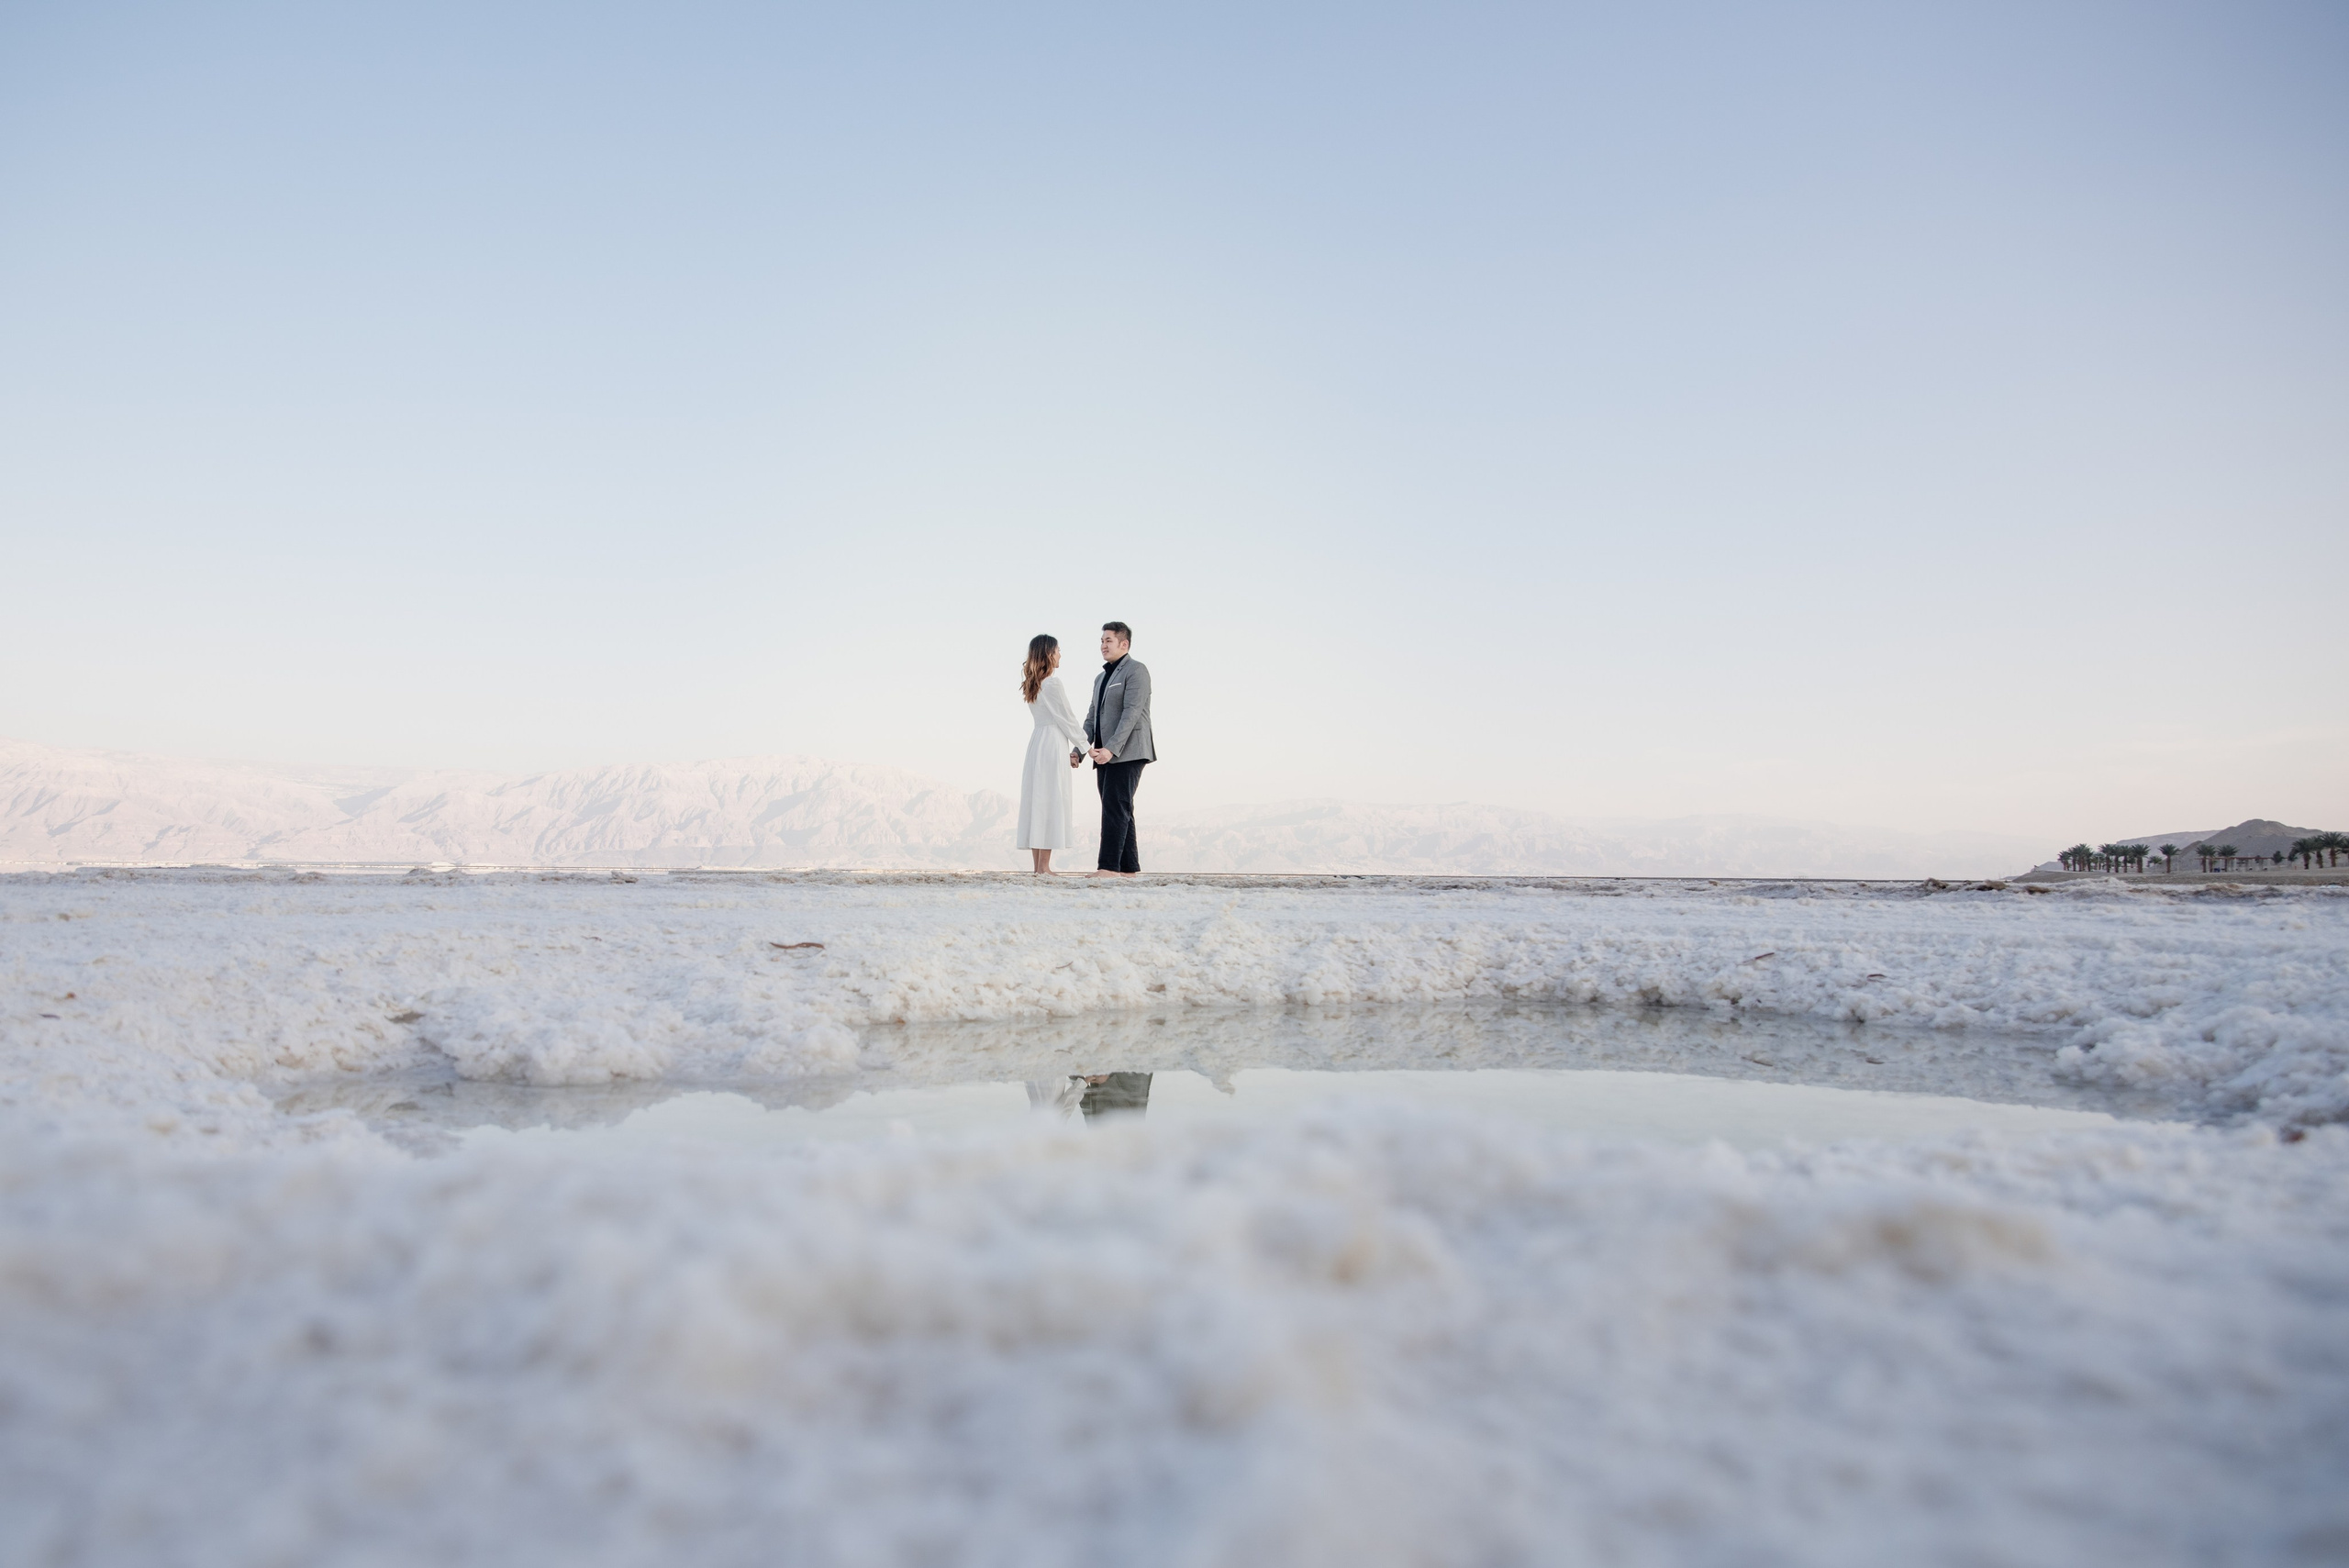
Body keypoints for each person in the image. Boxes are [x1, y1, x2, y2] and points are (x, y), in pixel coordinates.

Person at [1082, 621, 1154, 877]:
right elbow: (1093, 716)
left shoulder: (1136, 671)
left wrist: (1111, 749)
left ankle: (1108, 868)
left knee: (1115, 806)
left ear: (1124, 644)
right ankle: (1128, 870)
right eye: (1102, 641)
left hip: (1129, 750)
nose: (1103, 645)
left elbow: (1132, 713)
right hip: (1104, 754)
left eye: (1108, 640)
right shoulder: (1100, 677)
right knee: (1120, 807)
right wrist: (1079, 749)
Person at [1015, 634, 1087, 873]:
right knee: (1050, 801)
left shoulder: (1034, 685)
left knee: (1039, 801)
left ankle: (1039, 867)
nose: (1060, 655)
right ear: (1048, 653)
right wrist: (1087, 747)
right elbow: (1067, 719)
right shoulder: (1053, 684)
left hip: (1038, 743)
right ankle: (1044, 868)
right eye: (1058, 650)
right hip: (1052, 743)